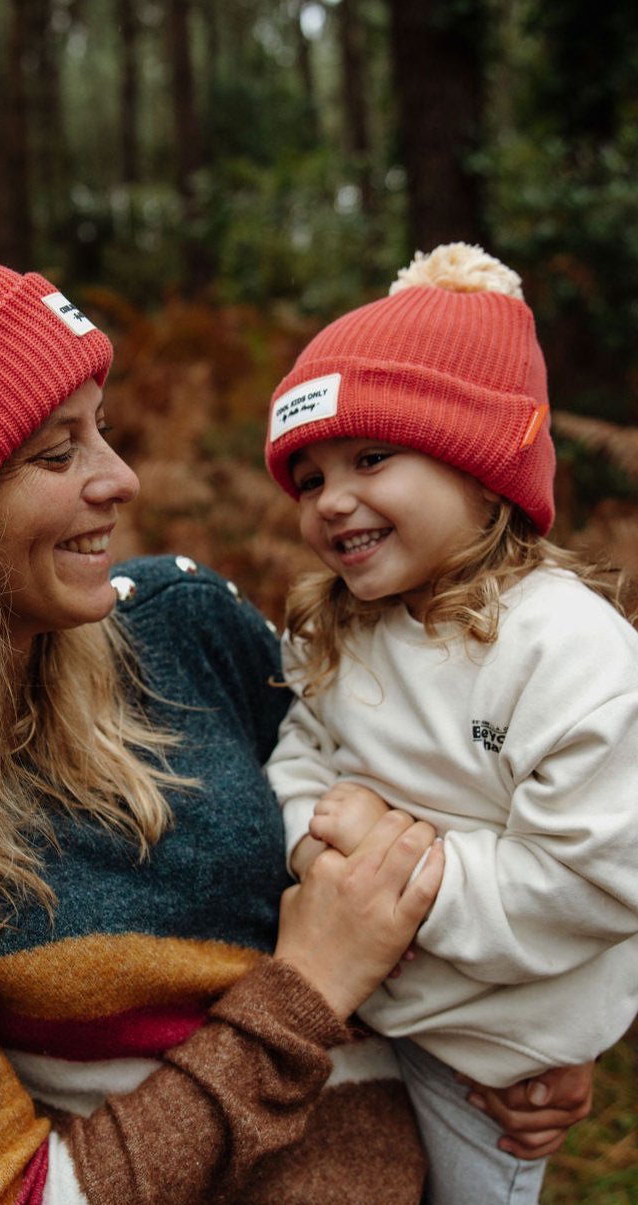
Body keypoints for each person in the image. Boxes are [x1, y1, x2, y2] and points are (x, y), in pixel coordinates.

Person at [0, 198, 588, 1205]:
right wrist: (302, 994)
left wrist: (513, 1040)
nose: (120, 478)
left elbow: (417, 837)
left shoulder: (184, 629)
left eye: (103, 430)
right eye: (57, 453)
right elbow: (11, 1195)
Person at [263, 243, 638, 1205]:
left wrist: (399, 881)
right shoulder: (343, 626)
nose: (332, 498)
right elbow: (303, 752)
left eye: (371, 458)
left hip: (496, 1054)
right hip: (371, 1010)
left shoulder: (566, 652)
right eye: (308, 478)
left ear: (482, 469)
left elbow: (592, 877)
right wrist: (315, 845)